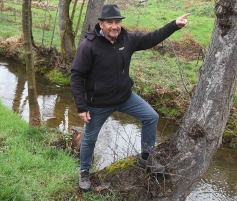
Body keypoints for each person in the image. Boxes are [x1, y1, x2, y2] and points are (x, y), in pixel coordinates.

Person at [71, 4, 190, 191]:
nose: (114, 26)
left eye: (117, 22)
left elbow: (152, 38)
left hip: (125, 97)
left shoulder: (127, 39)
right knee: (90, 138)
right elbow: (77, 76)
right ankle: (84, 171)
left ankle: (145, 157)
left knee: (151, 117)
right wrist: (81, 106)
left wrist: (174, 25)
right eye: (109, 22)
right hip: (98, 103)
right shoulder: (89, 45)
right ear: (101, 24)